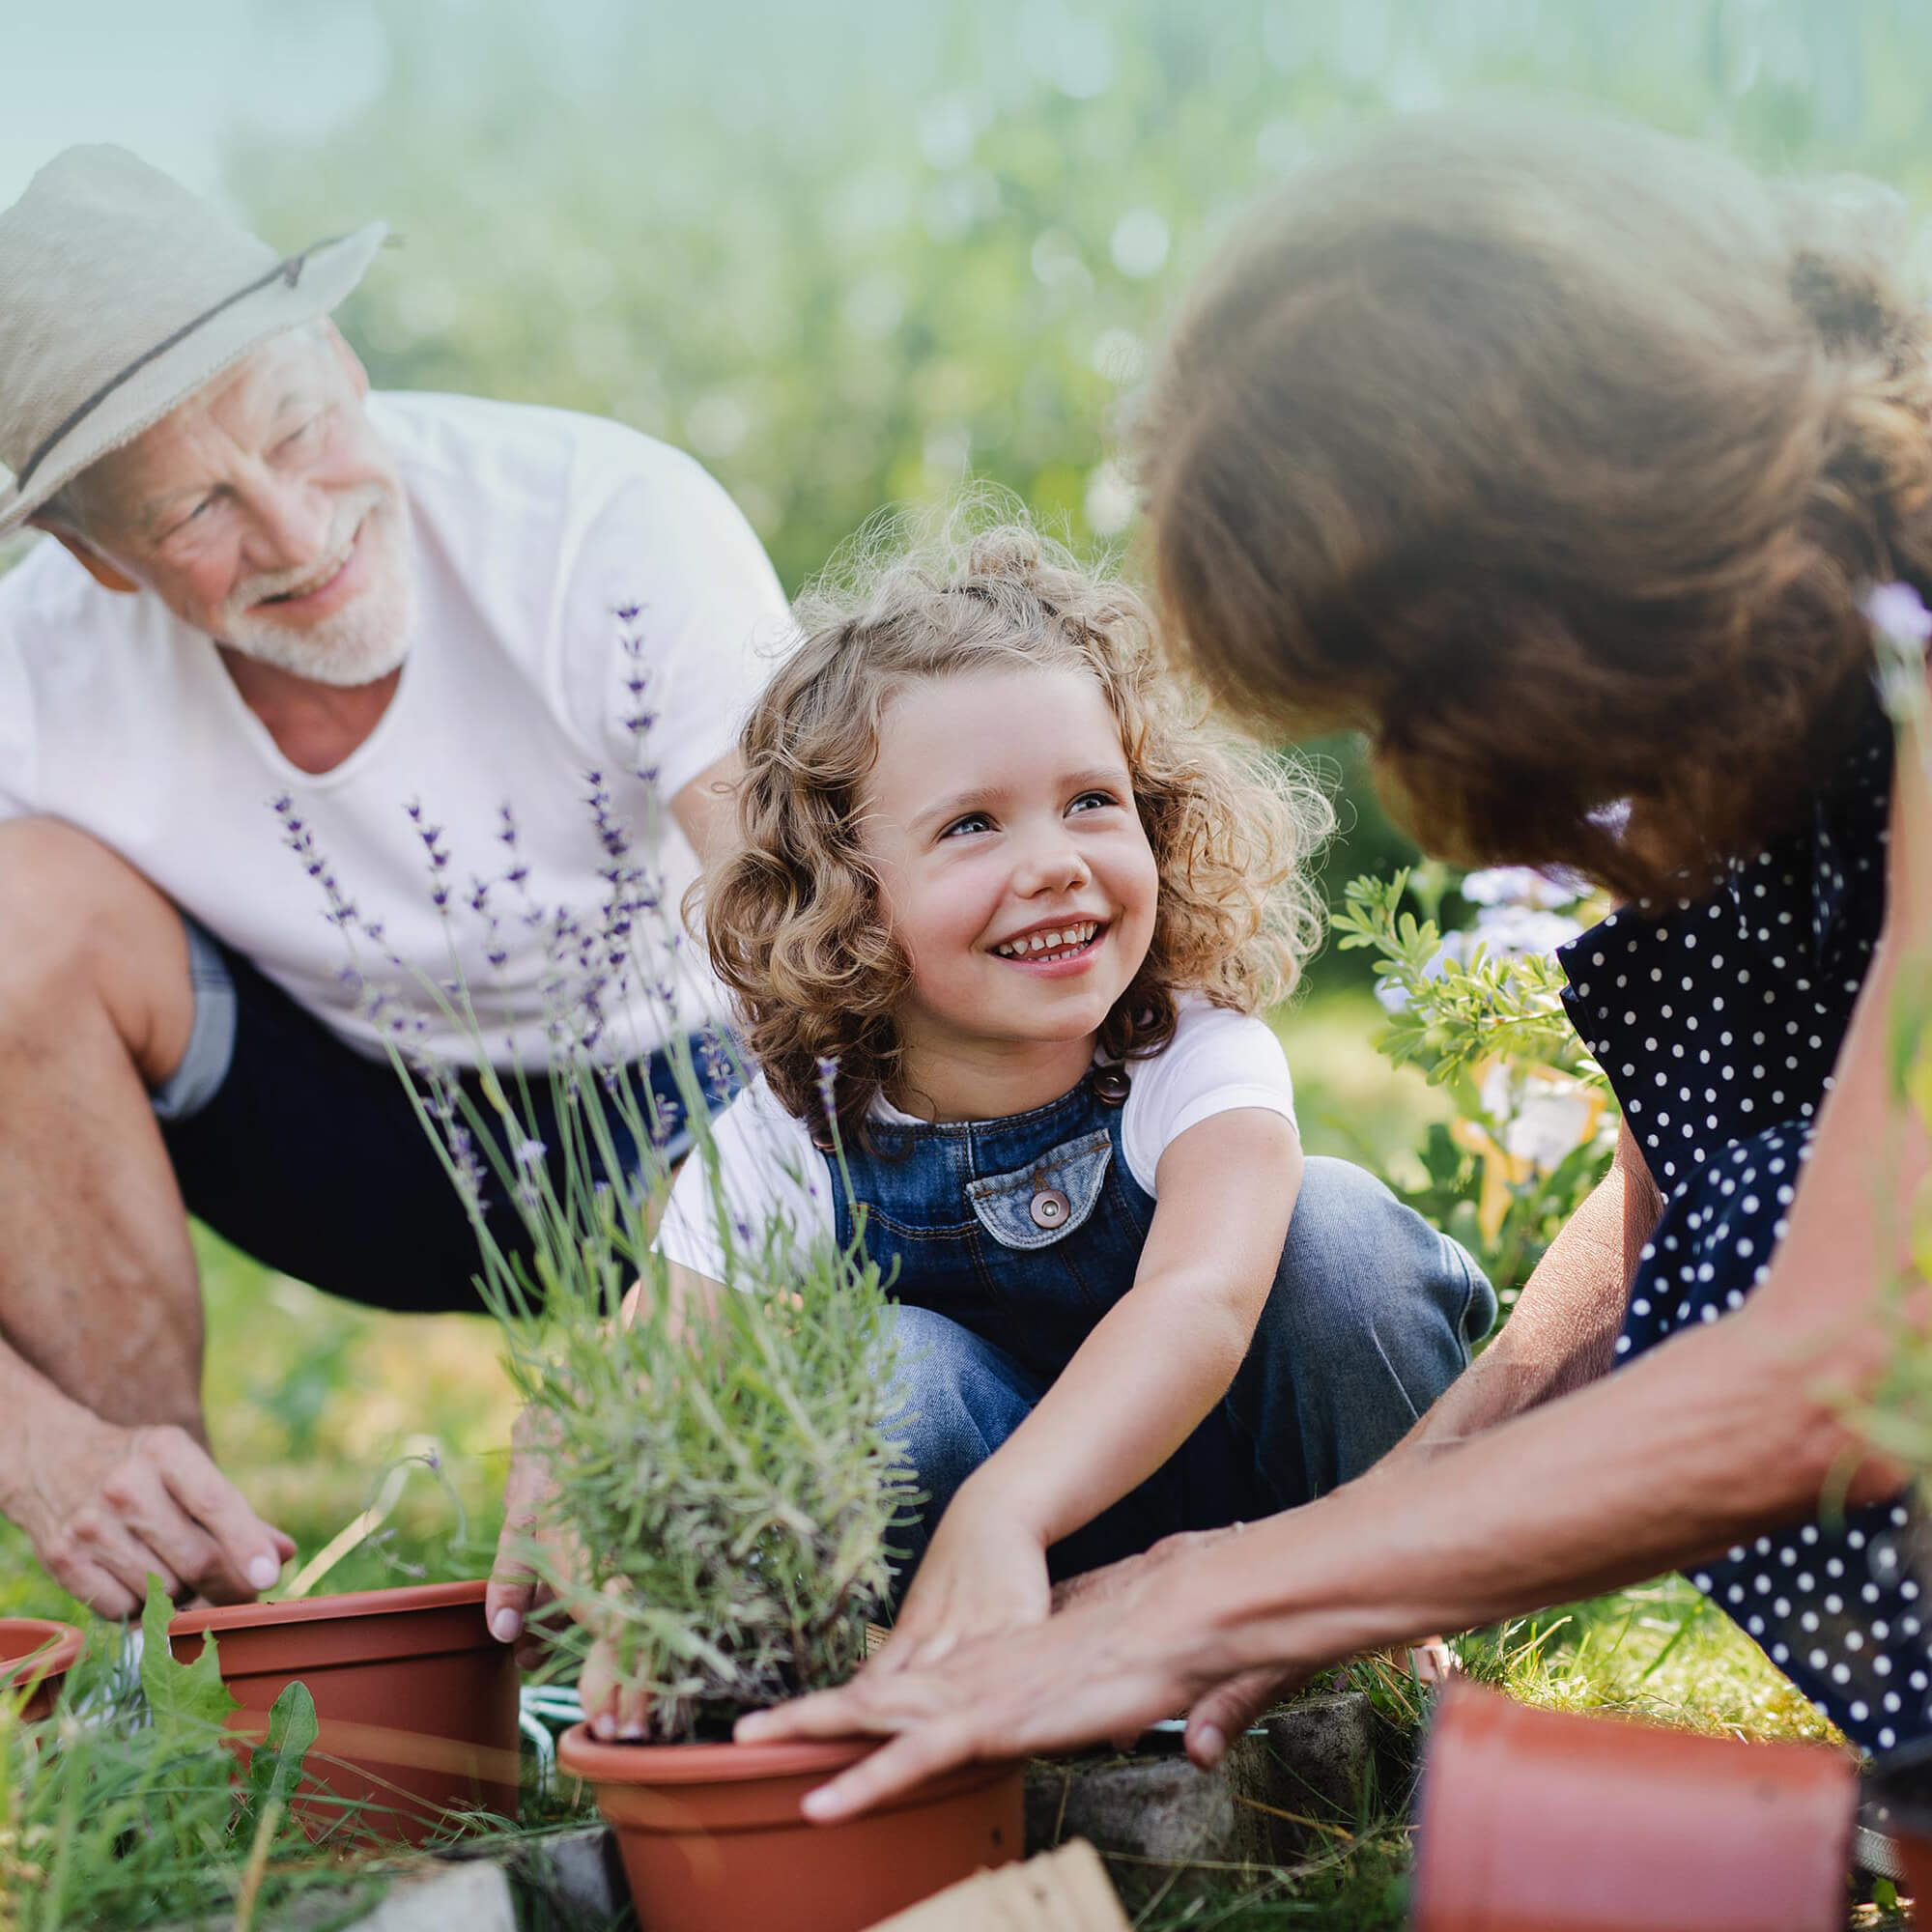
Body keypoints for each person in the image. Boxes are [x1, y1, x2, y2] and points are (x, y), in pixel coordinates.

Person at [736, 109, 1932, 1819]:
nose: (1419, 787)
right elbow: (1692, 1224)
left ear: (1567, 567)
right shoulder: (1783, 722)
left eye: (1405, 695)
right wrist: (1331, 1573)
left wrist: (1210, 1595)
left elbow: (1847, 1342)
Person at [0, 146, 789, 1619]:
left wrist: (683, 1310)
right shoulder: (26, 674)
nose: (299, 538)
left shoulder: (607, 522)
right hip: (343, 1139)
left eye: (296, 432)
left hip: (697, 1101)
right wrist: (33, 1445)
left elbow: (845, 977)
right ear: (93, 557)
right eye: (192, 514)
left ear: (345, 361)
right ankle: (180, 1618)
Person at [538, 520, 1492, 1737]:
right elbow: (660, 1366)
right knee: (878, 1372)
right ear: (844, 891)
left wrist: (1009, 1505)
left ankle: (1395, 1638)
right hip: (1002, 1583)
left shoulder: (1193, 1056)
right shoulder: (798, 1126)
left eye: (1090, 801)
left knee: (1340, 1235)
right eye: (971, 825)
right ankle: (1011, 1680)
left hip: (1271, 1526)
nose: (1051, 862)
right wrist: (636, 1580)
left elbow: (1197, 1302)